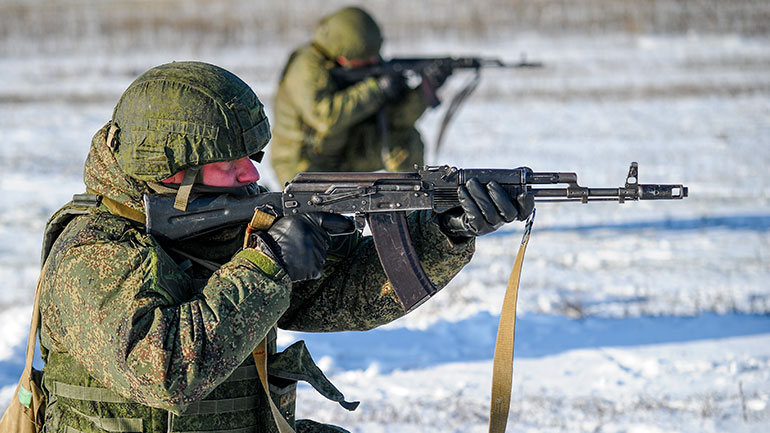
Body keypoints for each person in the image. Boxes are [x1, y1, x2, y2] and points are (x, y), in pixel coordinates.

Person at [36, 61, 534, 433]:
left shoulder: (224, 219)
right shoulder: (91, 252)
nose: (251, 173)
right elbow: (165, 372)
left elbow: (342, 295)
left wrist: (444, 231)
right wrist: (268, 265)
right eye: (229, 162)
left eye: (251, 156)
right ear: (170, 171)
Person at [270, 6, 452, 185]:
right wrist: (375, 89)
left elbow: (397, 119)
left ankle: (413, 200)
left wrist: (424, 91)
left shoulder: (365, 66)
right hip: (304, 164)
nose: (372, 62)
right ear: (344, 54)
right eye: (364, 59)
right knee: (321, 206)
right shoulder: (306, 67)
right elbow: (325, 118)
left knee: (405, 140)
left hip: (346, 152)